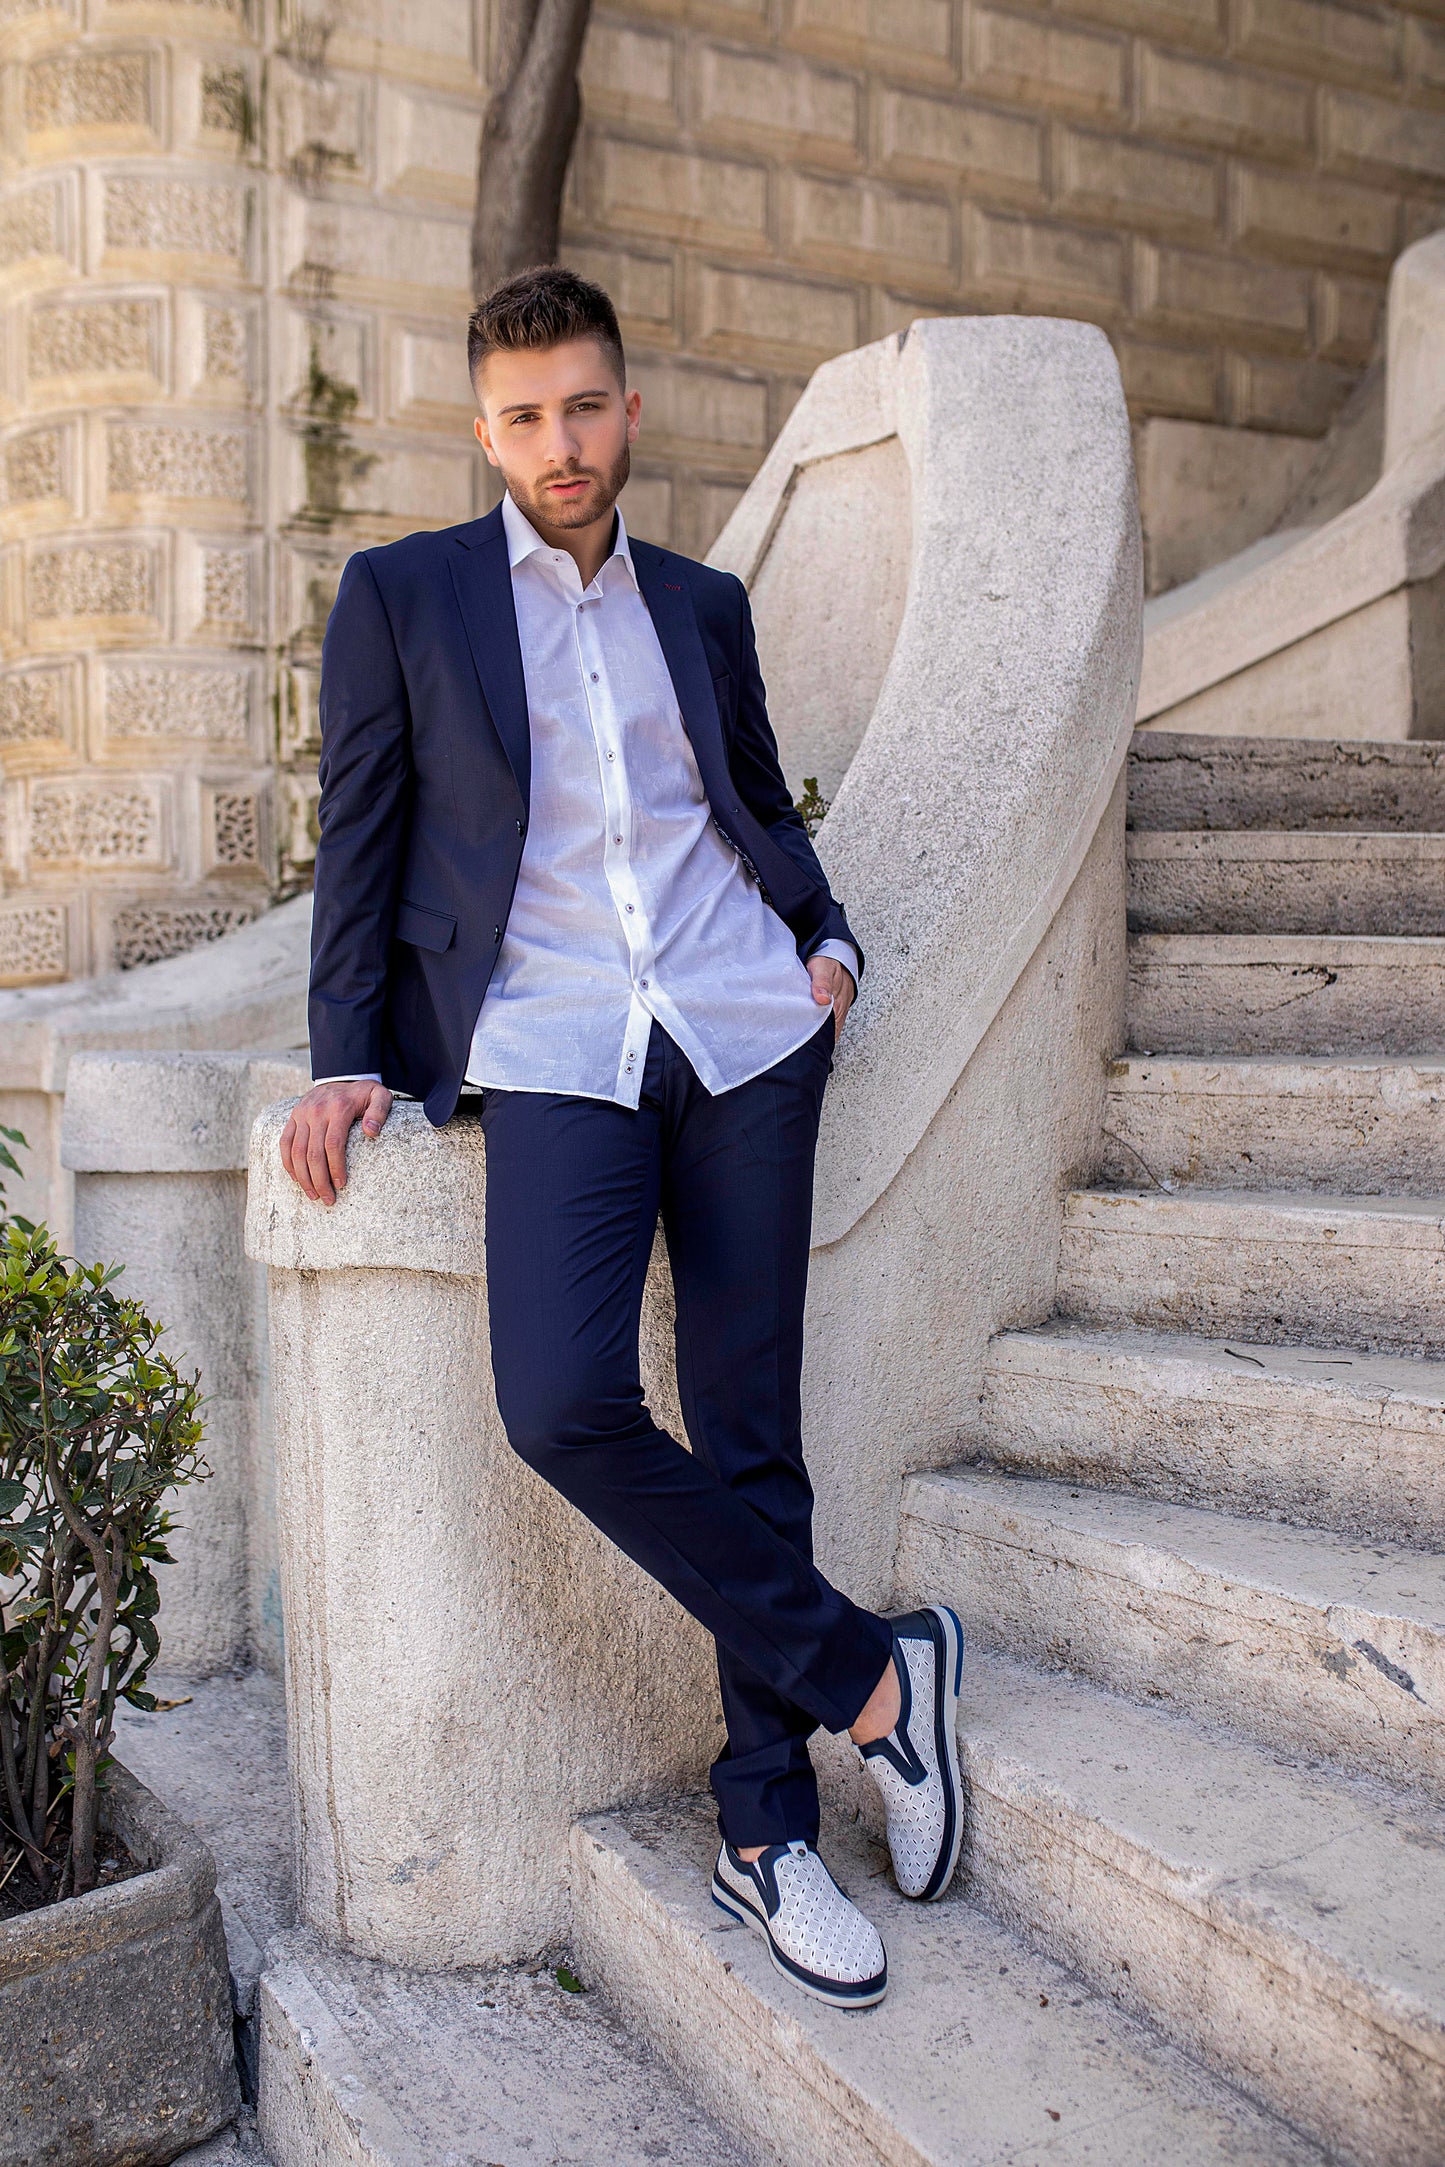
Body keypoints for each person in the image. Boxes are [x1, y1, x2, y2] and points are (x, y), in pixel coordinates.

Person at [279, 265, 963, 2010]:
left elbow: (748, 791)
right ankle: (878, 1682)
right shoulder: (403, 597)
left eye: (583, 407)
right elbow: (359, 839)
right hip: (553, 1044)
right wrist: (344, 1054)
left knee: (751, 1434)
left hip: (739, 1032)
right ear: (484, 427)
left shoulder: (701, 602)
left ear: (626, 408)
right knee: (561, 1398)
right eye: (521, 417)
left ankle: (765, 1833)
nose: (556, 445)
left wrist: (828, 942)